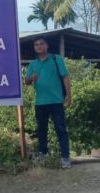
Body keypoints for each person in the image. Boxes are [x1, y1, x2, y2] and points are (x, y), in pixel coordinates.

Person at [25, 37, 72, 168]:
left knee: (61, 129)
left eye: (41, 44)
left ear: (47, 46)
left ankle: (65, 157)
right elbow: (26, 81)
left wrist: (69, 94)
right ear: (34, 48)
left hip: (56, 101)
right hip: (40, 103)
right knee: (41, 130)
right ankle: (43, 154)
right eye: (36, 45)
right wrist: (31, 78)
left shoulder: (56, 59)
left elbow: (65, 77)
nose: (39, 46)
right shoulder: (33, 64)